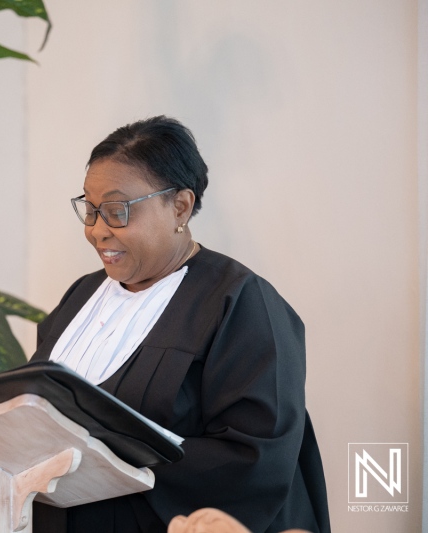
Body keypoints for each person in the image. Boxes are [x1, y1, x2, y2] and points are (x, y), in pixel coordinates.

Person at [30, 116, 330, 533]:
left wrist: (109, 456)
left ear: (180, 206)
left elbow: (254, 459)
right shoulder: (81, 295)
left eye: (117, 211)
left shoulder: (240, 302)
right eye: (91, 210)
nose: (97, 231)